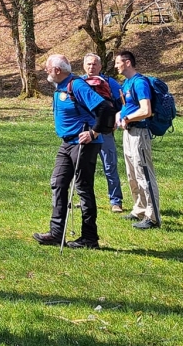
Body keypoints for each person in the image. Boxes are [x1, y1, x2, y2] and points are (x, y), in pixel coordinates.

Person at [33, 54, 107, 249]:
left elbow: (105, 109)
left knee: (83, 188)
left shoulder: (77, 86)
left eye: (47, 67)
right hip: (67, 144)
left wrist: (93, 133)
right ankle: (57, 233)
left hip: (84, 144)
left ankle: (89, 238)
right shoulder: (60, 87)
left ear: (57, 70)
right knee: (58, 183)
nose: (45, 71)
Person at [116, 49, 160, 230]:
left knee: (144, 174)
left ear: (127, 63)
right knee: (132, 173)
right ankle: (139, 209)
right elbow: (127, 106)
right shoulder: (127, 83)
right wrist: (120, 115)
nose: (116, 66)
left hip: (139, 133)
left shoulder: (140, 82)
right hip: (129, 133)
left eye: (118, 62)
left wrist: (127, 118)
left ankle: (153, 217)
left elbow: (146, 110)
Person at [83, 52, 125, 214]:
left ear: (100, 66)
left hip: (105, 131)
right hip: (86, 130)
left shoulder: (109, 82)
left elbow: (123, 102)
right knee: (85, 167)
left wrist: (116, 118)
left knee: (110, 166)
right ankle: (85, 199)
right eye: (88, 64)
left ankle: (116, 201)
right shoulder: (79, 82)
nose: (91, 67)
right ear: (84, 66)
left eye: (94, 64)